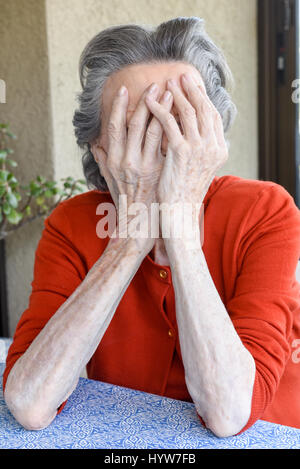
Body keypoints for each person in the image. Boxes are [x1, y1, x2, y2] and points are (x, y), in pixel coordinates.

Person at [3, 17, 300, 438]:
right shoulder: (70, 226)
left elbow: (229, 412)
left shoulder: (264, 211)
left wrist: (178, 227)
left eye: (183, 120)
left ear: (211, 136)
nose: (166, 143)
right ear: (100, 151)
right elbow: (30, 402)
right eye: (137, 125)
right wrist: (131, 239)